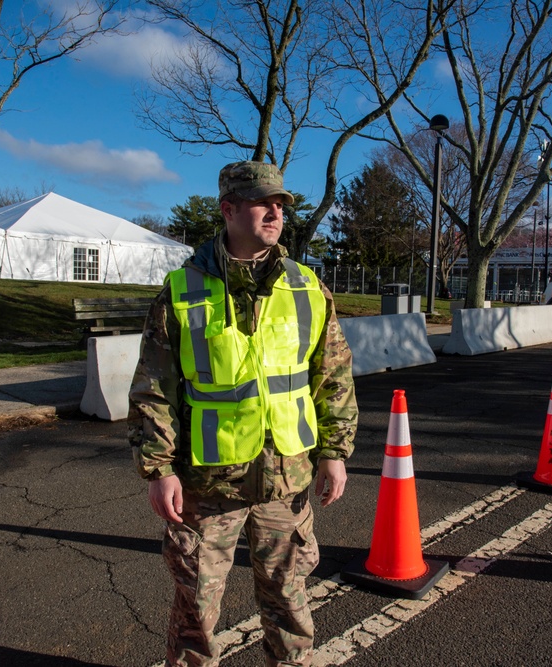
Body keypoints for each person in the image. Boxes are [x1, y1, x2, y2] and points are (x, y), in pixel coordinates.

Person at [127, 160, 359, 667]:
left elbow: (332, 376)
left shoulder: (307, 287)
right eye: (263, 202)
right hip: (208, 486)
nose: (276, 212)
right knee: (197, 611)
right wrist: (159, 468)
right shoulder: (182, 290)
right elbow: (154, 387)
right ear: (228, 209)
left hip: (286, 479)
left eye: (280, 204)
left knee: (290, 602)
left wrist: (334, 453)